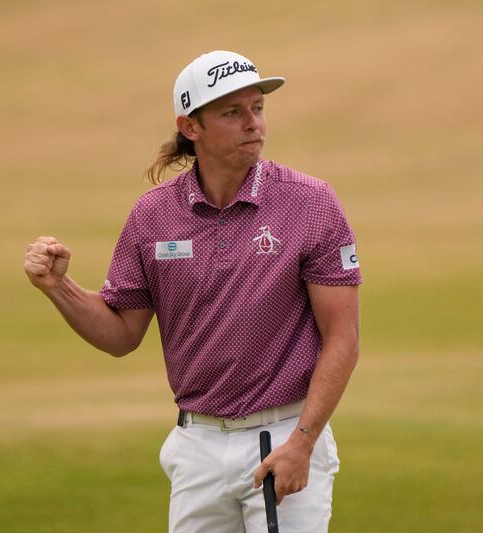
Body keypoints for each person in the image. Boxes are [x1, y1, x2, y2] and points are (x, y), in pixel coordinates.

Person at [23, 50, 361, 532]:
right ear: (190, 127)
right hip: (196, 444)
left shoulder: (310, 202)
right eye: (232, 112)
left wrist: (303, 442)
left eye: (258, 108)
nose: (254, 124)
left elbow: (343, 339)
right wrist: (59, 289)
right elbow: (121, 335)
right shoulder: (152, 216)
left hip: (284, 435)